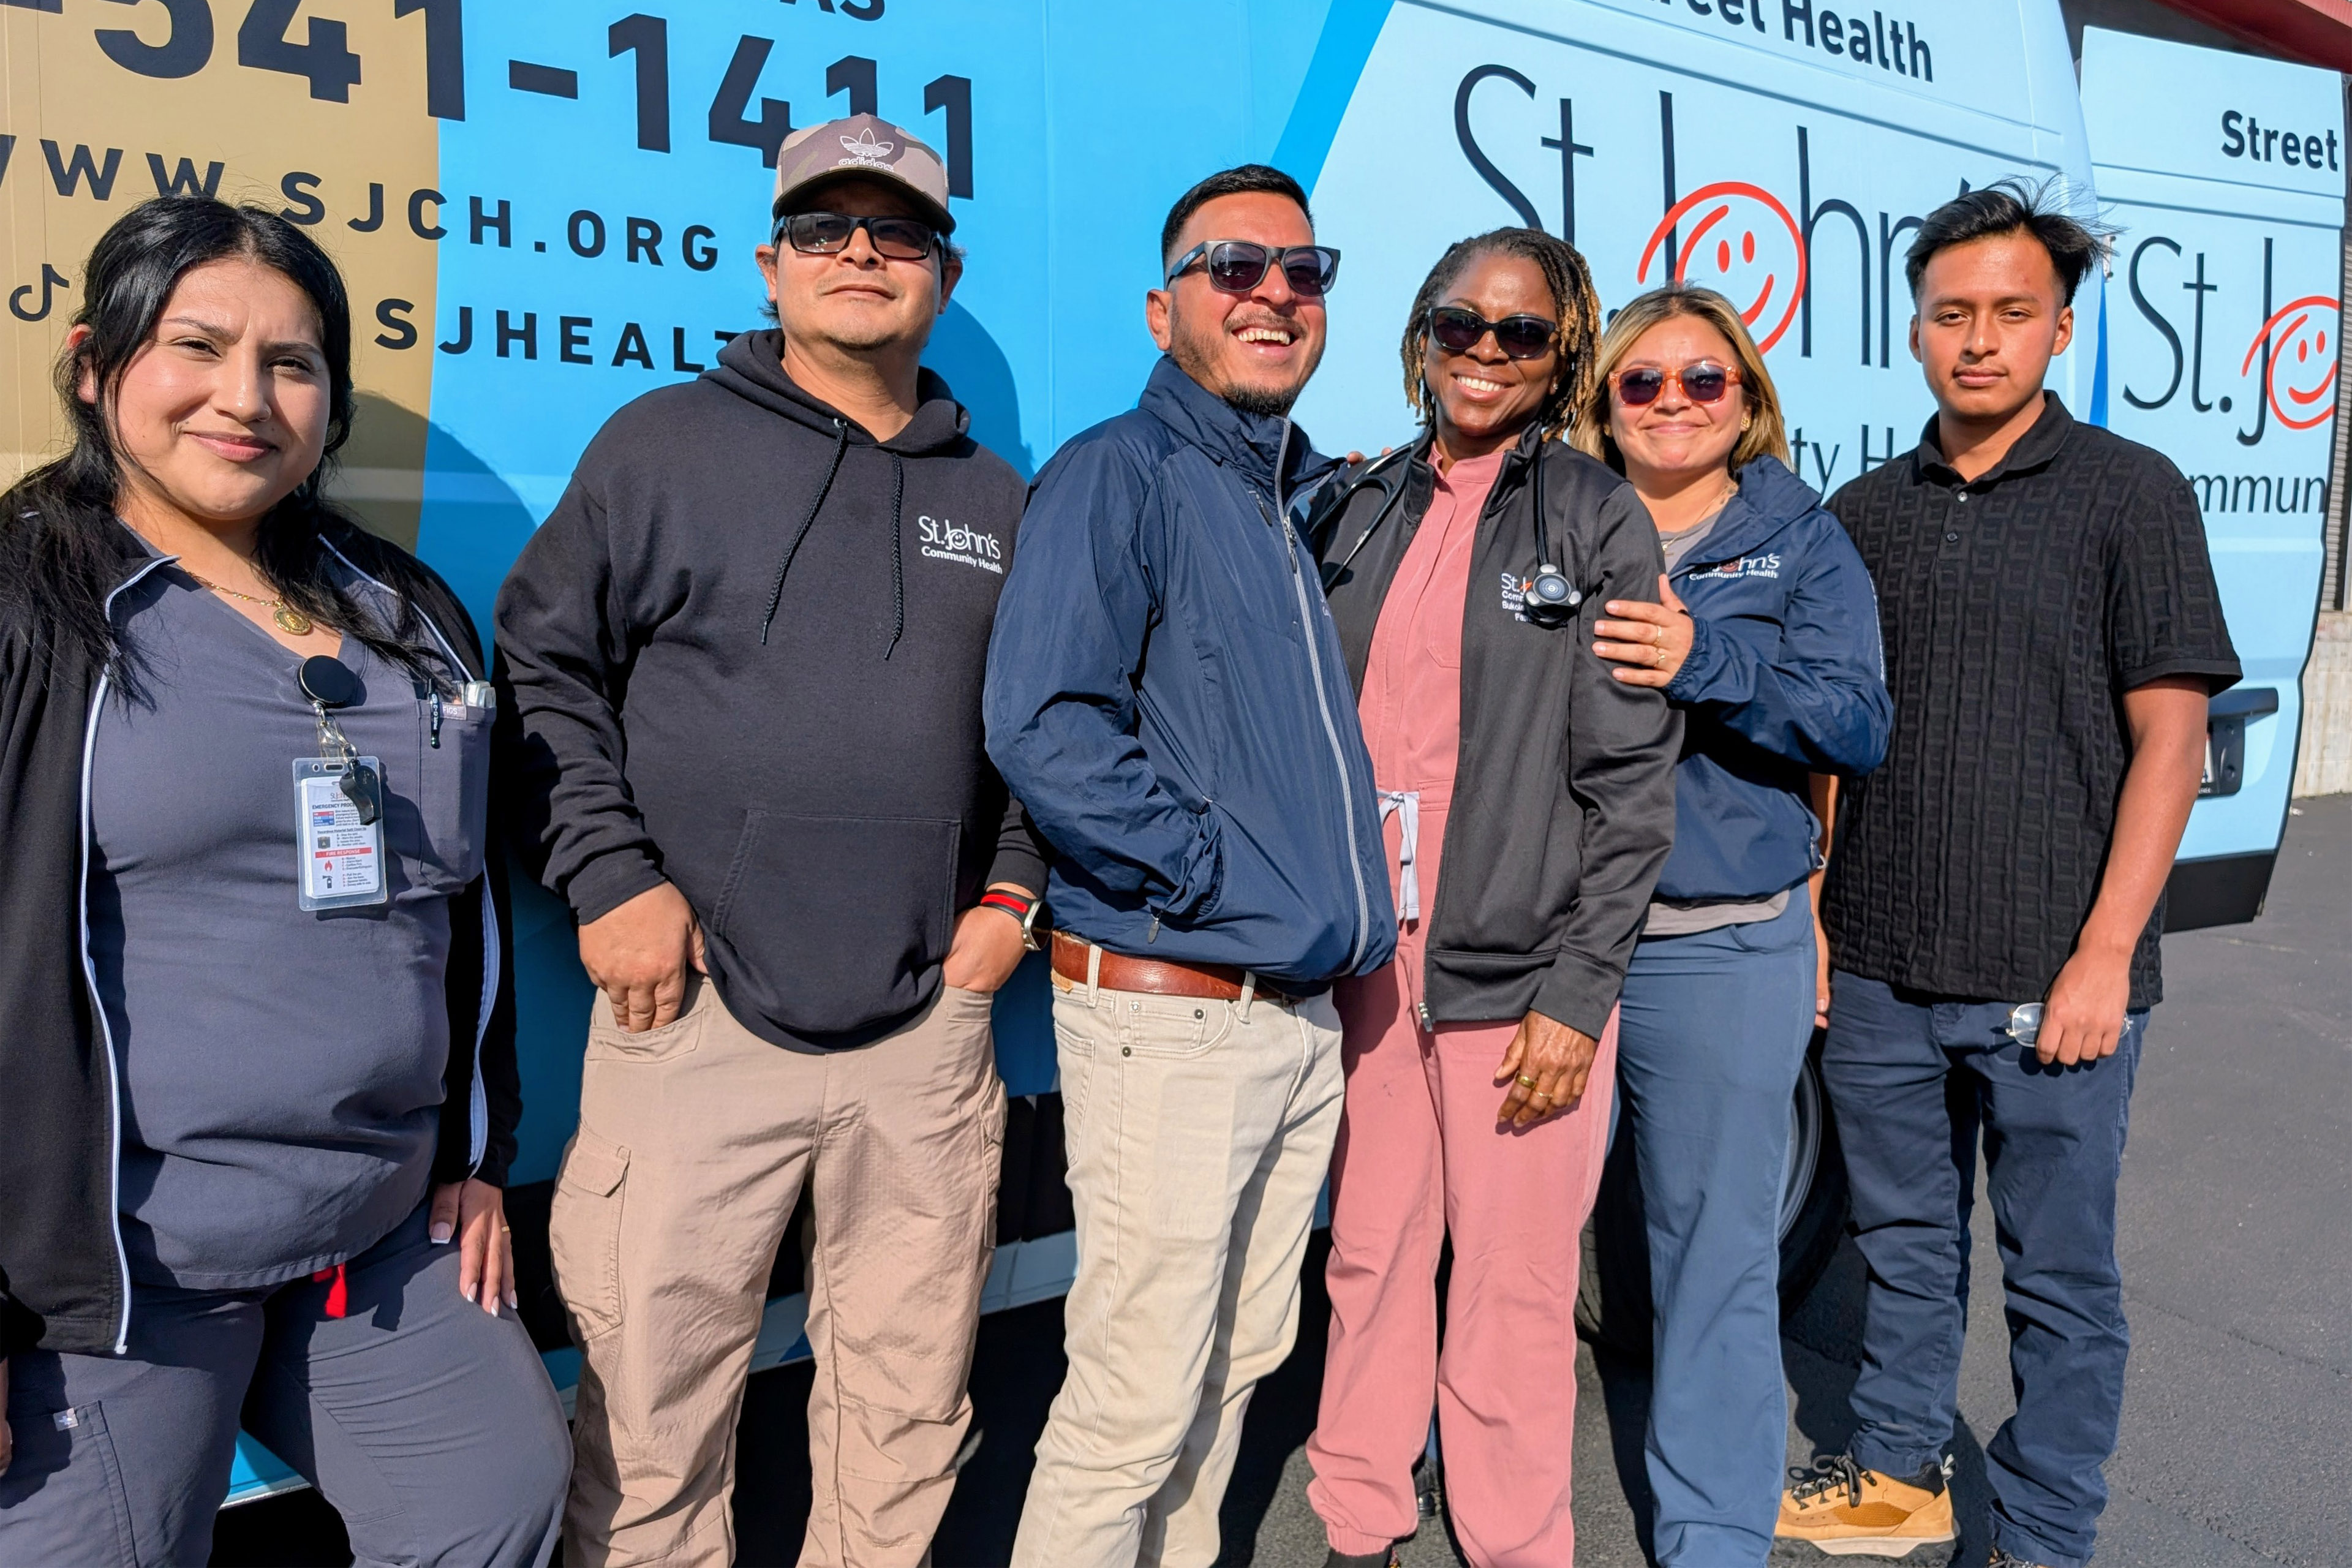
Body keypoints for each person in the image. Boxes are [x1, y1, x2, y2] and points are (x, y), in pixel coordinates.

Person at [496, 115, 1041, 1568]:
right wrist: (610, 875)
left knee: (907, 1416)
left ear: (944, 273)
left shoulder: (998, 498)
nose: (860, 251)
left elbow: (1046, 729)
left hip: (924, 1031)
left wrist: (1010, 900)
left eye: (898, 230)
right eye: (822, 226)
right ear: (770, 262)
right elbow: (542, 669)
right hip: (693, 1015)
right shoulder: (663, 445)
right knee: (651, 1427)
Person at [0, 196, 568, 1566]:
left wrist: (476, 1156)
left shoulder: (403, 609)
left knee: (498, 1499)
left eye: (292, 363)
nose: (246, 399)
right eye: (197, 347)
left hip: (377, 1235)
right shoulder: (29, 604)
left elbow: (464, 910)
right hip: (119, 1275)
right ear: (95, 364)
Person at [1774, 181, 2238, 1568]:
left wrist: (2106, 954)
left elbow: (2171, 741)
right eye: (1952, 313)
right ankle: (1899, 1470)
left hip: (2055, 978)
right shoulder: (1862, 512)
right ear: (1915, 328)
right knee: (1900, 1247)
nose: (1979, 339)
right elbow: (1834, 740)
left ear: (2061, 328)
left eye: (2012, 313)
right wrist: (1817, 921)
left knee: (2062, 1281)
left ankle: (2043, 1534)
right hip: (1879, 968)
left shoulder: (2131, 493)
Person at [984, 164, 1396, 1568]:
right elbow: (1043, 721)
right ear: (1167, 310)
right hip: (1179, 1014)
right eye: (1235, 268)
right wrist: (1216, 876)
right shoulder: (1122, 471)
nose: (1275, 292)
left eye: (1303, 270)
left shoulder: (1283, 503)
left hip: (1292, 1020)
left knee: (1234, 1367)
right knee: (1136, 1400)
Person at [1299, 228, 1681, 1568]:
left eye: (1521, 332)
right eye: (1461, 323)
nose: (1485, 352)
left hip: (1522, 971)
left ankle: (1515, 1540)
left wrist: (1579, 995)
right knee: (1371, 1251)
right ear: (1423, 333)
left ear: (1560, 353)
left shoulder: (1593, 514)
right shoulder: (1361, 500)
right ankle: (1361, 1512)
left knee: (1513, 1288)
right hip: (1368, 955)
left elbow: (1632, 789)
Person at [1570, 283, 1890, 1566]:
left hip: (1717, 944)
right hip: (1549, 942)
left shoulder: (1799, 537)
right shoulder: (1552, 518)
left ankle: (1711, 1534)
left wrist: (1706, 659)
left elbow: (1854, 723)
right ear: (1604, 401)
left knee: (1713, 1260)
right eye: (1642, 380)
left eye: (1704, 379)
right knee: (1497, 1242)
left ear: (1747, 398)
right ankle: (1488, 1496)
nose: (1673, 403)